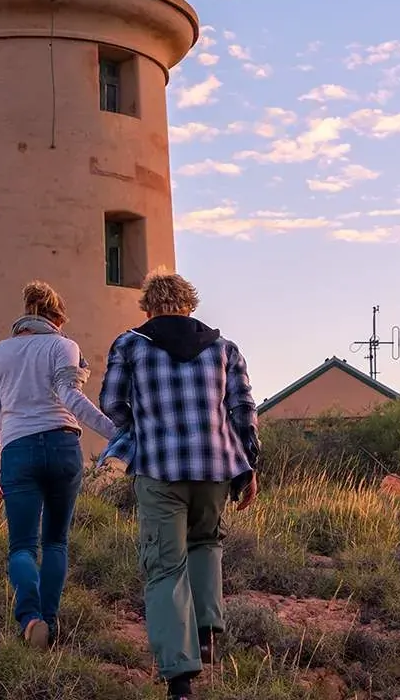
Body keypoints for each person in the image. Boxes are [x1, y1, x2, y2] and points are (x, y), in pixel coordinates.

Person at [99, 271, 259, 698]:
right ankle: (205, 632)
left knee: (164, 567)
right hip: (215, 468)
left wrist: (141, 428)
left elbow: (112, 402)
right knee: (206, 544)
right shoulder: (224, 349)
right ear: (190, 305)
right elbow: (243, 410)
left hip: (159, 468)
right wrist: (249, 465)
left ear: (149, 307)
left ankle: (180, 679)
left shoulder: (130, 345)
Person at [0, 280, 117, 649]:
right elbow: (71, 396)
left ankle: (30, 618)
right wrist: (116, 433)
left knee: (22, 547)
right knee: (55, 541)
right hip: (62, 445)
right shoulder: (63, 345)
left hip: (17, 450)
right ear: (56, 318)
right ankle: (50, 623)